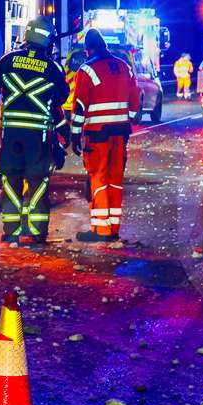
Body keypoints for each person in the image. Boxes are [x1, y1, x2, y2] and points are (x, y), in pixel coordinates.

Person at [0, 18, 65, 245]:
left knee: (10, 180)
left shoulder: (7, 60)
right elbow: (61, 97)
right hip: (37, 138)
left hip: (10, 135)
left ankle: (10, 231)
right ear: (47, 40)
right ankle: (36, 232)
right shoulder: (53, 68)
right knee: (38, 183)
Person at [69, 27, 139, 244]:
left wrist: (74, 135)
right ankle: (114, 227)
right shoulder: (124, 67)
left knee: (98, 179)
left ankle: (101, 230)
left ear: (88, 49)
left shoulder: (87, 70)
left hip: (97, 135)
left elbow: (80, 106)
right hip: (121, 133)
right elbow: (135, 103)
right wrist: (127, 120)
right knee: (115, 179)